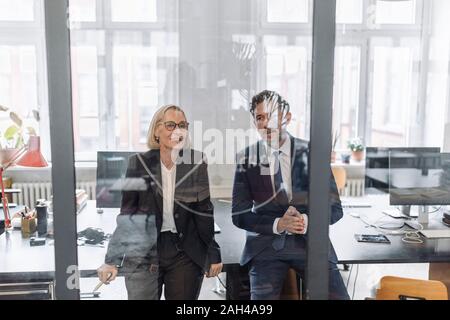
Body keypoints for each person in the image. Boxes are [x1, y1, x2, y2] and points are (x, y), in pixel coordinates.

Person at [232, 90, 349, 300]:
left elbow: (335, 209)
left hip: (310, 243)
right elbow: (239, 215)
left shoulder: (313, 153)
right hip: (265, 246)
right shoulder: (246, 158)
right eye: (260, 118)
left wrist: (304, 221)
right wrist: (279, 224)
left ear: (286, 117)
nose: (266, 124)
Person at [98, 104, 223, 300]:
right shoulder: (138, 163)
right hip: (144, 252)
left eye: (182, 125)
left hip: (183, 251)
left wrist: (213, 252)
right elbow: (127, 215)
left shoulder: (196, 162)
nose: (177, 131)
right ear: (157, 130)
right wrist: (112, 259)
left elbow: (204, 211)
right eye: (171, 125)